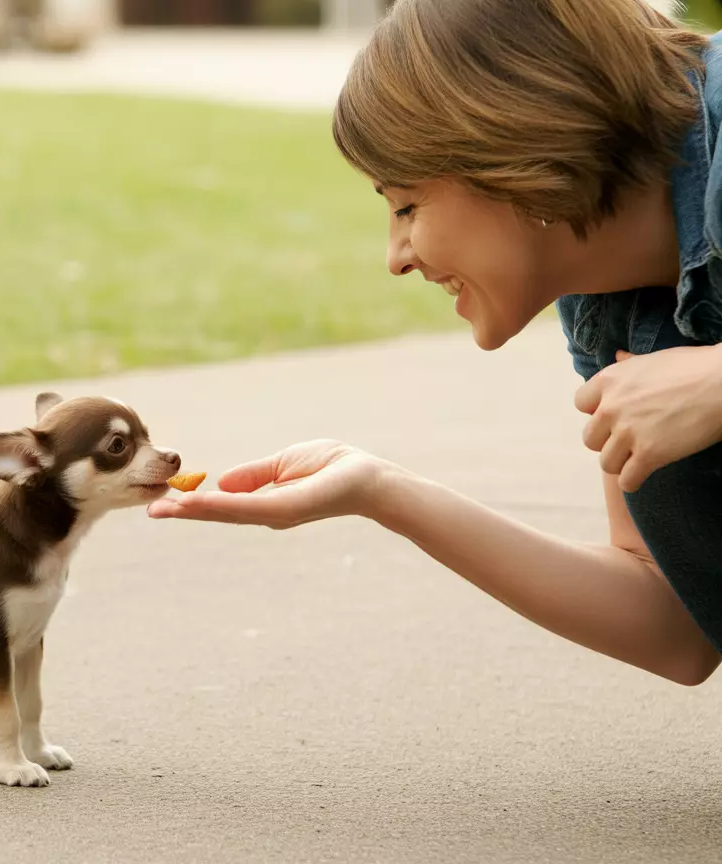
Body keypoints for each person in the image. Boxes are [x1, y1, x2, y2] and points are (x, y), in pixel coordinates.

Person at [147, 0, 722, 686]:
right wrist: (382, 492)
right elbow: (676, 627)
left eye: (407, 206)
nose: (395, 257)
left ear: (511, 142)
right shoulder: (604, 298)